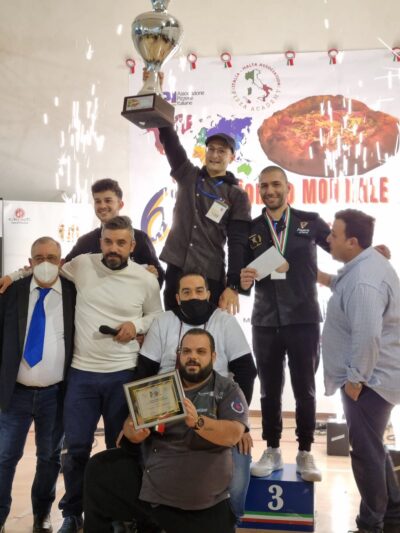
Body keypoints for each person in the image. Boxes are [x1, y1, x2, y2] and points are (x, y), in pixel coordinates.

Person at [83, 328, 249, 533]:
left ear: (213, 357)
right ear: (179, 355)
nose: (193, 357)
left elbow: (233, 434)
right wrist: (133, 432)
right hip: (153, 487)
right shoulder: (160, 386)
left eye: (200, 351)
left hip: (202, 497)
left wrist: (198, 422)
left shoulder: (227, 389)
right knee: (99, 467)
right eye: (186, 351)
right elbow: (129, 425)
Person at [57, 216, 163, 533]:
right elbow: (47, 269)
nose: (113, 248)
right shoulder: (82, 265)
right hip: (81, 374)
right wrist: (13, 276)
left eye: (120, 242)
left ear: (132, 245)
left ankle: (118, 515)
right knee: (75, 449)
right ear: (100, 241)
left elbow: (156, 315)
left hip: (123, 374)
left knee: (120, 450)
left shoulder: (145, 279)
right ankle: (72, 512)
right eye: (108, 241)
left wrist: (136, 325)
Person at [135, 271, 257, 519]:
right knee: (140, 469)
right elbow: (144, 371)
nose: (194, 297)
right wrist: (136, 416)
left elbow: (246, 371)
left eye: (199, 291)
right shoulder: (163, 322)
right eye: (187, 292)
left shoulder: (225, 321)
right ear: (177, 297)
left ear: (209, 294)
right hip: (166, 410)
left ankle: (227, 523)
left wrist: (240, 424)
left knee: (236, 485)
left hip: (217, 408)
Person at [240, 165, 330, 482]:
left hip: (304, 318)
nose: (270, 190)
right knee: (269, 390)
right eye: (264, 186)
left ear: (287, 188)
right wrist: (242, 280)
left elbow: (340, 248)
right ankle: (273, 448)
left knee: (305, 389)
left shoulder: (310, 221)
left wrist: (367, 253)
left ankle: (305, 451)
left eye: (276, 184)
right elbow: (242, 276)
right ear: (259, 190)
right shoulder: (251, 229)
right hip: (265, 320)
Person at [321, 209, 400, 533]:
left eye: (334, 235)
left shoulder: (364, 282)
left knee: (366, 455)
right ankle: (393, 515)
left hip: (369, 383)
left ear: (352, 242)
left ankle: (370, 525)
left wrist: (355, 380)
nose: (328, 239)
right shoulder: (364, 265)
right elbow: (341, 284)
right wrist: (314, 274)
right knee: (374, 448)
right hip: (373, 378)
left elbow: (367, 336)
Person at [0, 237, 76, 533]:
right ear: (29, 262)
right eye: (39, 258)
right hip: (15, 393)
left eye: (52, 257)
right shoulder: (12, 291)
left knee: (49, 457)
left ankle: (41, 515)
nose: (45, 263)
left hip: (55, 395)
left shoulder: (73, 293)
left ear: (61, 261)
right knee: (5, 456)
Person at [0, 178, 164, 294]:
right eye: (98, 201)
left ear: (120, 204)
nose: (102, 206)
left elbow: (157, 278)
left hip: (131, 319)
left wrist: (152, 277)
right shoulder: (85, 242)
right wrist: (14, 276)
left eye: (108, 200)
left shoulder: (140, 238)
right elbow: (58, 268)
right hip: (92, 320)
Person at [156, 123, 251, 313]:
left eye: (221, 151)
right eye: (211, 149)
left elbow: (238, 242)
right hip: (177, 267)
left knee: (208, 328)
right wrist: (163, 122)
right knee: (172, 324)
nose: (215, 155)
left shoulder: (237, 195)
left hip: (210, 273)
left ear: (232, 157)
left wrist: (233, 285)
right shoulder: (188, 175)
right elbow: (173, 147)